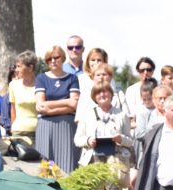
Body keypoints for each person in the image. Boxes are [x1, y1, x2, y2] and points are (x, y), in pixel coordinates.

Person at [34, 45, 80, 173]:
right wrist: (66, 102)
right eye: (49, 59)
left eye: (56, 57)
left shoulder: (72, 78)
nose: (53, 61)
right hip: (45, 126)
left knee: (68, 164)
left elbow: (75, 104)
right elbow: (41, 105)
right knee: (46, 167)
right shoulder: (41, 78)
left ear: (63, 58)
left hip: (67, 127)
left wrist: (50, 110)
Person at [74, 82, 132, 176]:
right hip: (92, 158)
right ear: (94, 97)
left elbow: (130, 141)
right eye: (98, 93)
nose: (102, 95)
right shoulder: (86, 115)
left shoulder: (122, 115)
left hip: (116, 160)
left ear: (111, 94)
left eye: (105, 91)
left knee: (114, 184)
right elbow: (77, 140)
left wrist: (121, 139)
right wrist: (88, 140)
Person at [8, 51, 38, 145]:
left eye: (19, 66)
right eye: (16, 66)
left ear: (30, 67)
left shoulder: (41, 84)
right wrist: (13, 127)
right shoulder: (13, 85)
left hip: (39, 131)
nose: (16, 70)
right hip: (18, 132)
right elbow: (13, 109)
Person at [124, 57, 156, 124]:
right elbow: (129, 113)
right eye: (142, 70)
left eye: (148, 70)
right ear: (138, 71)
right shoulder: (131, 90)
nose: (145, 72)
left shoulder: (159, 89)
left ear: (153, 71)